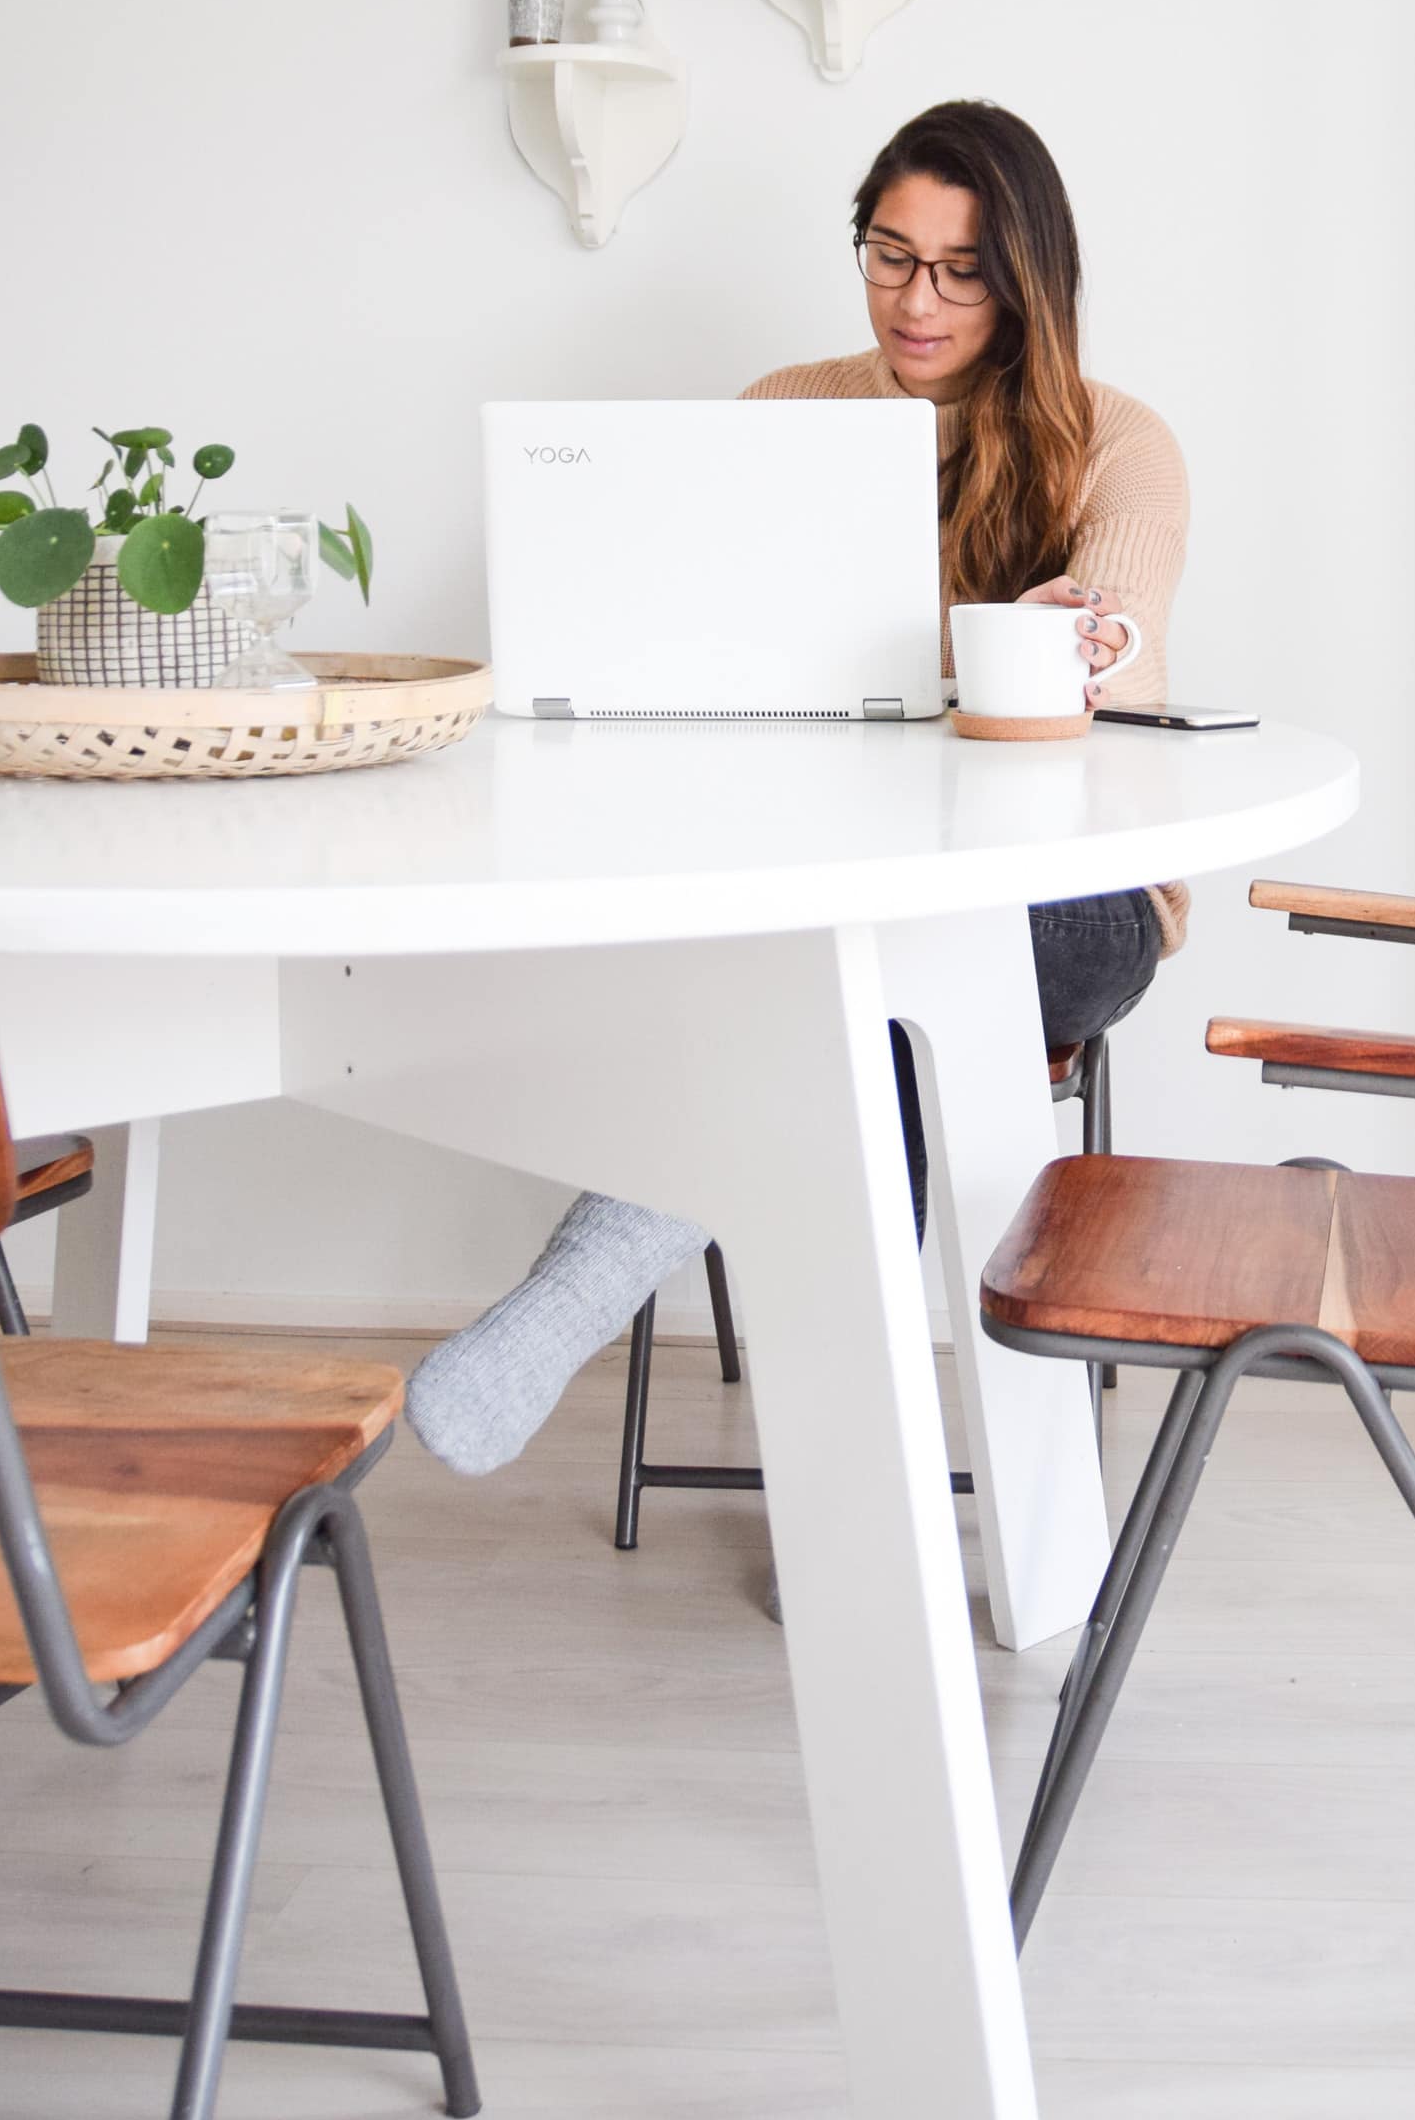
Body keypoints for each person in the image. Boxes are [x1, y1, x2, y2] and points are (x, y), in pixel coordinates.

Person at [406, 100, 1190, 1475]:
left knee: (832, 980)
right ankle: (860, 1491)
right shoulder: (786, 412)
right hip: (826, 898)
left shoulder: (1118, 441)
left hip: (1068, 905)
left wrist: (1052, 640)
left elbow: (1111, 648)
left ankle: (578, 1302)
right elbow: (705, 657)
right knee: (847, 993)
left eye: (961, 271)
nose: (916, 300)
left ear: (1026, 280)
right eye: (891, 255)